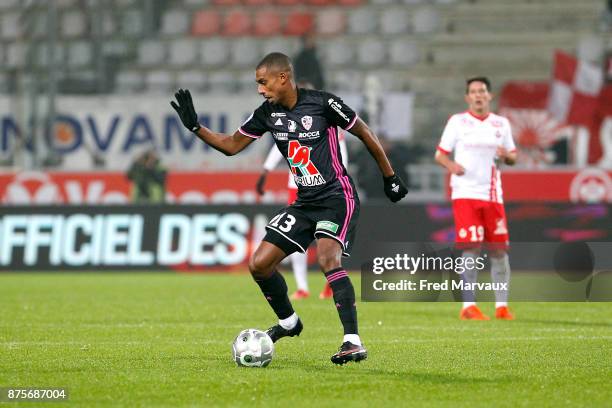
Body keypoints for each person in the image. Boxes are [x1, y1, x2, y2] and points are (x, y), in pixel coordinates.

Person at [171, 52, 407, 364]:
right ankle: (289, 323)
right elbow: (231, 145)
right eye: (258, 83)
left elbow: (364, 132)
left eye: (263, 82)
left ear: (283, 78)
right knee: (259, 264)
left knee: (326, 258)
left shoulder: (323, 103)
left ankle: (352, 340)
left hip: (337, 198)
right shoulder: (267, 113)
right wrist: (195, 127)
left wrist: (389, 176)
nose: (260, 89)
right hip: (304, 202)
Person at [435, 77, 516, 321]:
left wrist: (507, 156)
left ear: (490, 96)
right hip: (465, 193)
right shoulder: (458, 122)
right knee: (471, 248)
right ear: (467, 97)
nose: (478, 95)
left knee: (499, 252)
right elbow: (440, 154)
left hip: (493, 195)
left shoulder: (501, 124)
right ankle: (468, 306)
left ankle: (502, 307)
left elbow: (512, 155)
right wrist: (451, 166)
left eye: (482, 91)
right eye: (473, 91)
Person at [256, 93, 349, 301]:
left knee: (328, 241)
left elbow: (340, 153)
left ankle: (330, 284)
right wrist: (265, 171)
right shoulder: (283, 120)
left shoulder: (324, 118)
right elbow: (280, 147)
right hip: (297, 187)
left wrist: (339, 182)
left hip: (328, 189)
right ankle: (302, 286)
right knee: (296, 239)